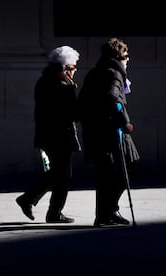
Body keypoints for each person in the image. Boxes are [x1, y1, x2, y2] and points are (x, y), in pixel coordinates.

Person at [77, 37, 140, 227]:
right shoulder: (114, 73)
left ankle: (105, 214)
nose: (128, 59)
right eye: (126, 55)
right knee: (127, 167)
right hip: (112, 132)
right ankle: (109, 210)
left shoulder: (95, 72)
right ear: (118, 56)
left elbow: (82, 103)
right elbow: (113, 98)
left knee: (105, 174)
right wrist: (125, 122)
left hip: (96, 131)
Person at [15, 45, 81, 223]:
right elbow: (73, 114)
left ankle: (32, 201)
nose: (75, 71)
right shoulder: (62, 87)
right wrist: (74, 94)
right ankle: (49, 210)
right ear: (64, 68)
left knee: (57, 173)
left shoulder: (44, 81)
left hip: (47, 135)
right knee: (62, 174)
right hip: (60, 137)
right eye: (74, 67)